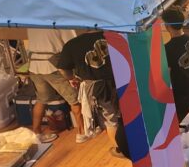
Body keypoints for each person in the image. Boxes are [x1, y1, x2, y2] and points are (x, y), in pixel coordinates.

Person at [55, 31, 127, 159]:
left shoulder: (72, 44)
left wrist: (72, 78)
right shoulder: (114, 35)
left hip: (98, 88)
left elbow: (63, 69)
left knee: (111, 121)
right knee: (128, 113)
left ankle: (120, 149)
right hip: (122, 79)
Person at [25, 29, 88, 144]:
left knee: (41, 100)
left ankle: (37, 133)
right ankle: (82, 133)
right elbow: (72, 44)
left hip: (34, 65)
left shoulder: (32, 21)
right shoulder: (60, 22)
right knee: (74, 100)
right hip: (54, 66)